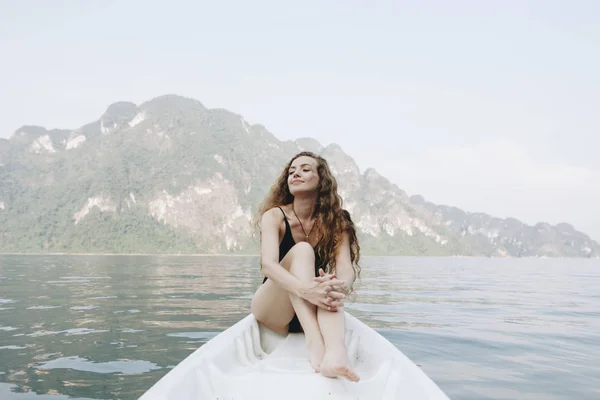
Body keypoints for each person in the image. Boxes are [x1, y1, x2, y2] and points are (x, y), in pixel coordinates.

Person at [250, 151, 362, 382]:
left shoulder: (337, 220)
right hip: (274, 309)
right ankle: (314, 340)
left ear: (321, 179)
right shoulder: (275, 216)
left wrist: (341, 287)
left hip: (313, 303)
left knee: (330, 282)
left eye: (305, 169)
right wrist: (305, 290)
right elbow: (268, 266)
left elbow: (344, 268)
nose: (296, 174)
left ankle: (336, 355)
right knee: (302, 250)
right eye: (291, 172)